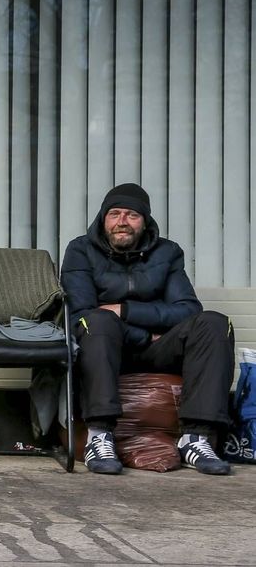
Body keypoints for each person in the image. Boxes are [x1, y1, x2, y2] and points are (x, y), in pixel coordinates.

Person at [61, 183, 235, 475]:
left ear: (145, 221)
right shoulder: (80, 250)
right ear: (103, 218)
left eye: (132, 215)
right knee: (96, 321)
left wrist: (124, 310)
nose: (122, 222)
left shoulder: (167, 252)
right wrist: (143, 333)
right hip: (105, 348)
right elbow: (79, 315)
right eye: (114, 214)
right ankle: (99, 435)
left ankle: (196, 437)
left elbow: (188, 309)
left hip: (159, 348)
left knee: (214, 323)